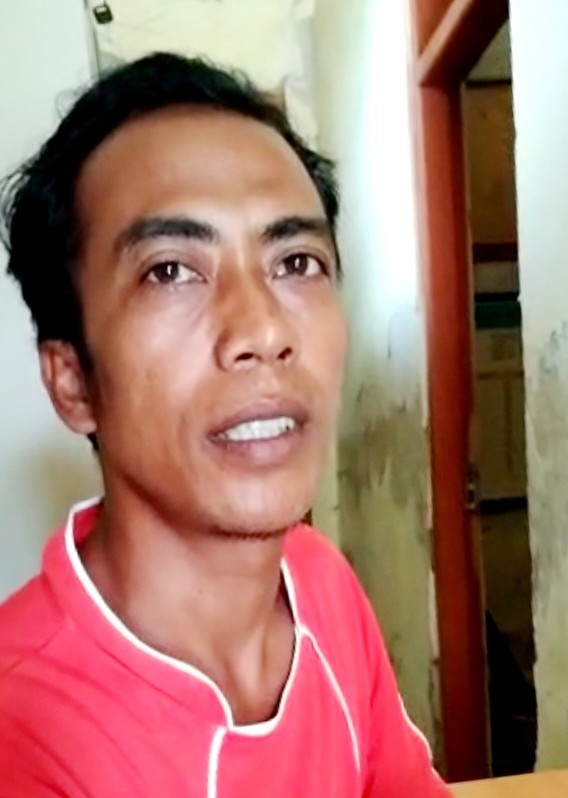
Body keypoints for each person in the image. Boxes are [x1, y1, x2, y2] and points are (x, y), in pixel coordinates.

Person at [0, 53, 450, 796]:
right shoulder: (25, 728)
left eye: (296, 262)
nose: (263, 330)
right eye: (170, 270)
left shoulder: (320, 583)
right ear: (73, 379)